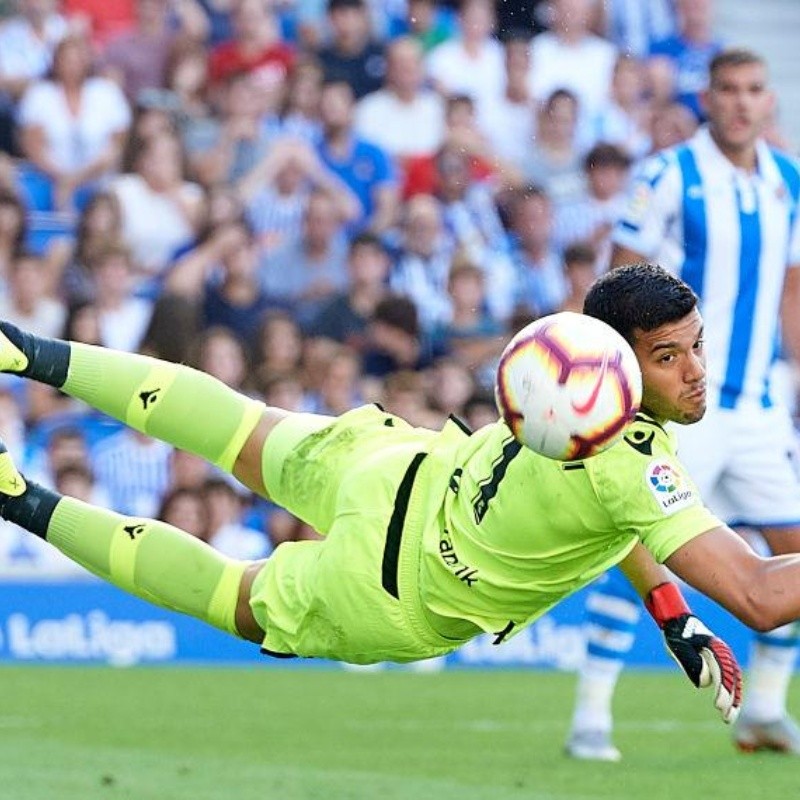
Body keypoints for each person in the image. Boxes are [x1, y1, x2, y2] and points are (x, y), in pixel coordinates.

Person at [0, 260, 765, 735]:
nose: (696, 369)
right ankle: (20, 499)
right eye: (669, 357)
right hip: (396, 590)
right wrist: (691, 610)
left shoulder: (564, 367)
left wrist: (673, 616)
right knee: (234, 597)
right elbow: (761, 595)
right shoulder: (634, 462)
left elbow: (612, 513)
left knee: (238, 424)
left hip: (399, 466)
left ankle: (23, 348)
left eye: (696, 344)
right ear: (621, 366)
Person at [567, 47, 800, 760]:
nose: (740, 102)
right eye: (727, 89)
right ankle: (591, 716)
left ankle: (763, 708)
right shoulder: (669, 173)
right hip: (680, 408)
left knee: (792, 558)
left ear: (769, 102)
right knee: (635, 543)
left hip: (759, 406)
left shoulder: (788, 180)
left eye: (753, 89)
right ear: (707, 98)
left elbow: (789, 288)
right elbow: (620, 284)